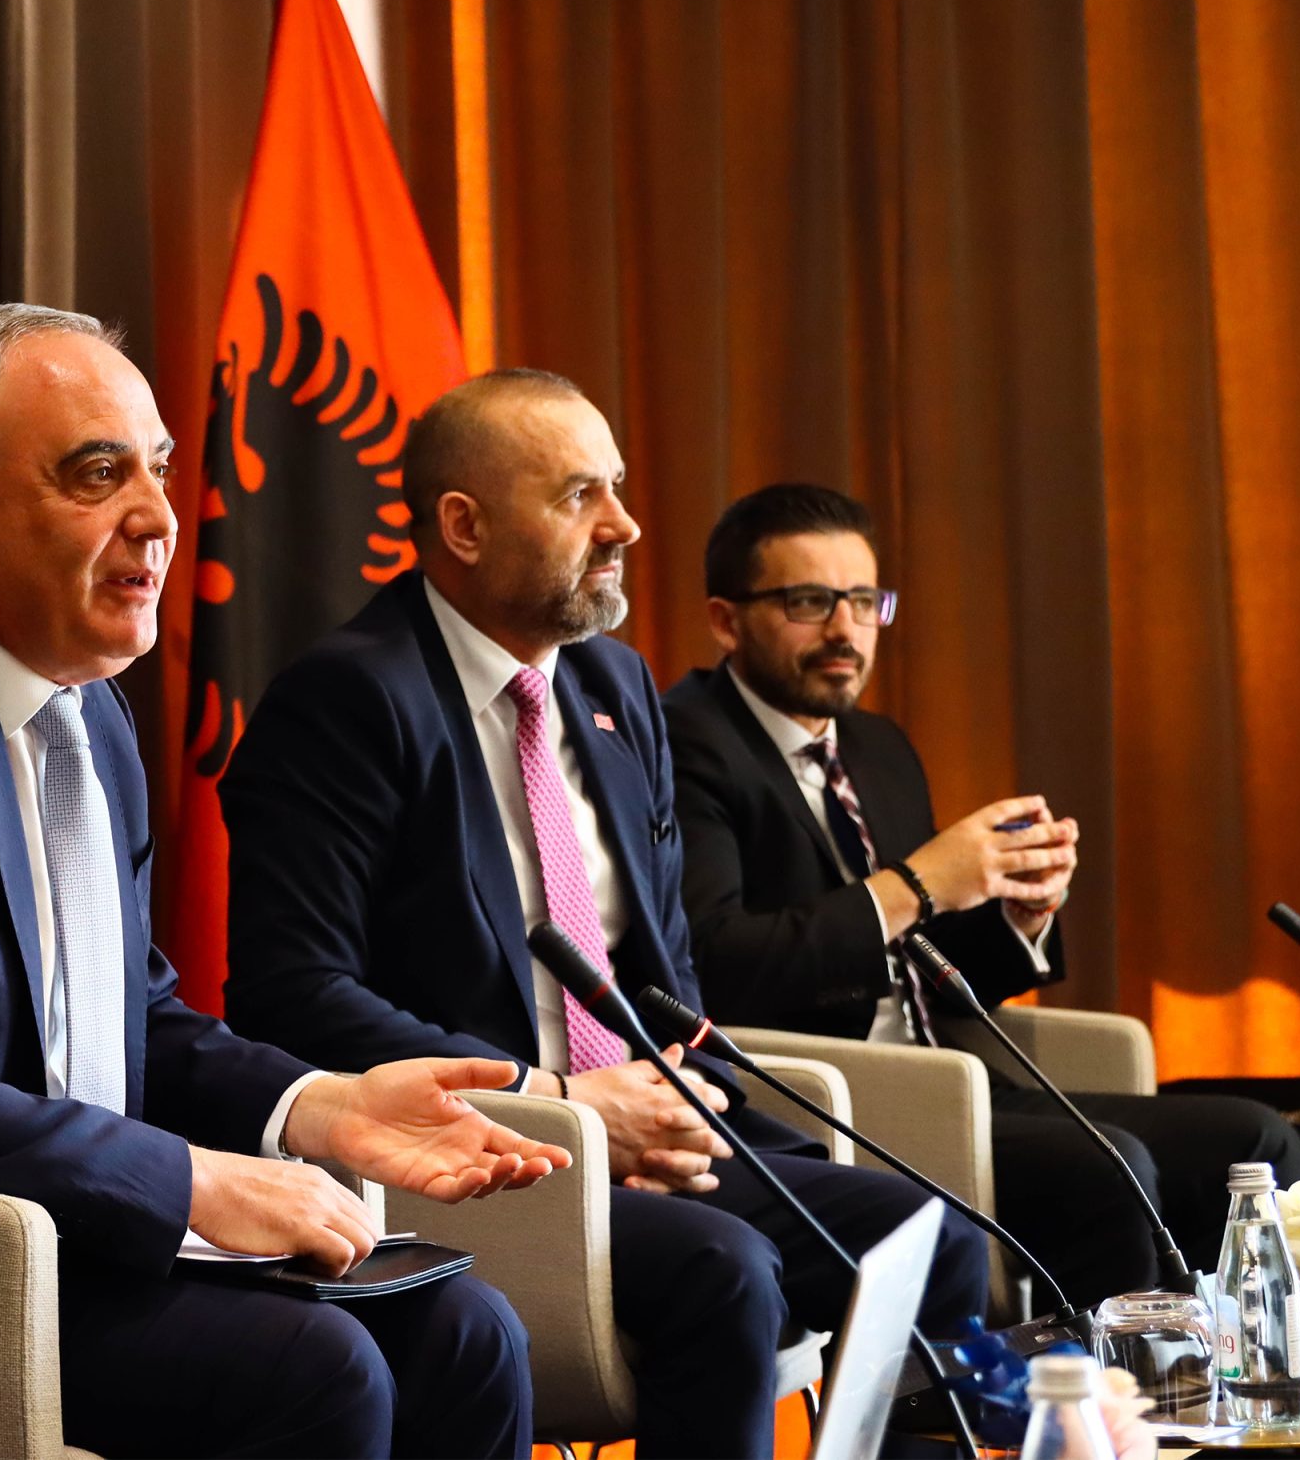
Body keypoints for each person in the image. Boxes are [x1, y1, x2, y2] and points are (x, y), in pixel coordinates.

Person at [0, 305, 572, 1460]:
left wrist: (315, 1105)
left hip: (76, 1227)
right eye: (97, 475)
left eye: (159, 470)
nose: (158, 518)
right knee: (315, 1369)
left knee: (470, 1335)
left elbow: (134, 1015)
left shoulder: (89, 713)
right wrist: (187, 1180)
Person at [218, 369, 991, 1460]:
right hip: (477, 1152)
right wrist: (567, 1105)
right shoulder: (349, 699)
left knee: (933, 1234)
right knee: (726, 1269)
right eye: (581, 495)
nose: (623, 524)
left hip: (638, 1122)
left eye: (617, 487)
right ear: (464, 525)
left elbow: (660, 962)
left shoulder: (614, 685)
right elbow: (292, 995)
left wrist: (669, 1099)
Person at [661, 482, 1300, 1308]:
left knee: (1256, 1139)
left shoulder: (877, 746)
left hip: (956, 1074)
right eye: (809, 602)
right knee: (1108, 1166)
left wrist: (1016, 915)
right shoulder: (685, 744)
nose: (845, 630)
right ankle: (1094, 1389)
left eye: (864, 601)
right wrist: (920, 882)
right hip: (834, 1095)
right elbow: (720, 963)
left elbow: (925, 965)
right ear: (726, 620)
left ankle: (1234, 1370)